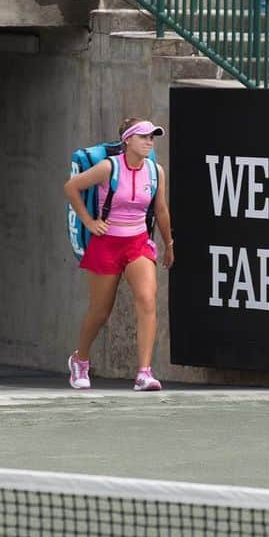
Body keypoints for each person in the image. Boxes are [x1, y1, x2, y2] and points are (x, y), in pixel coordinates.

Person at [64, 118, 173, 392]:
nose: (149, 142)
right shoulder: (108, 167)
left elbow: (160, 210)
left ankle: (144, 373)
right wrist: (89, 222)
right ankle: (80, 360)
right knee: (101, 311)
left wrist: (169, 244)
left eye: (152, 138)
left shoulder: (155, 171)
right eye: (144, 137)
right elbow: (71, 188)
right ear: (128, 141)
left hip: (138, 242)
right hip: (106, 242)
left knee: (147, 299)